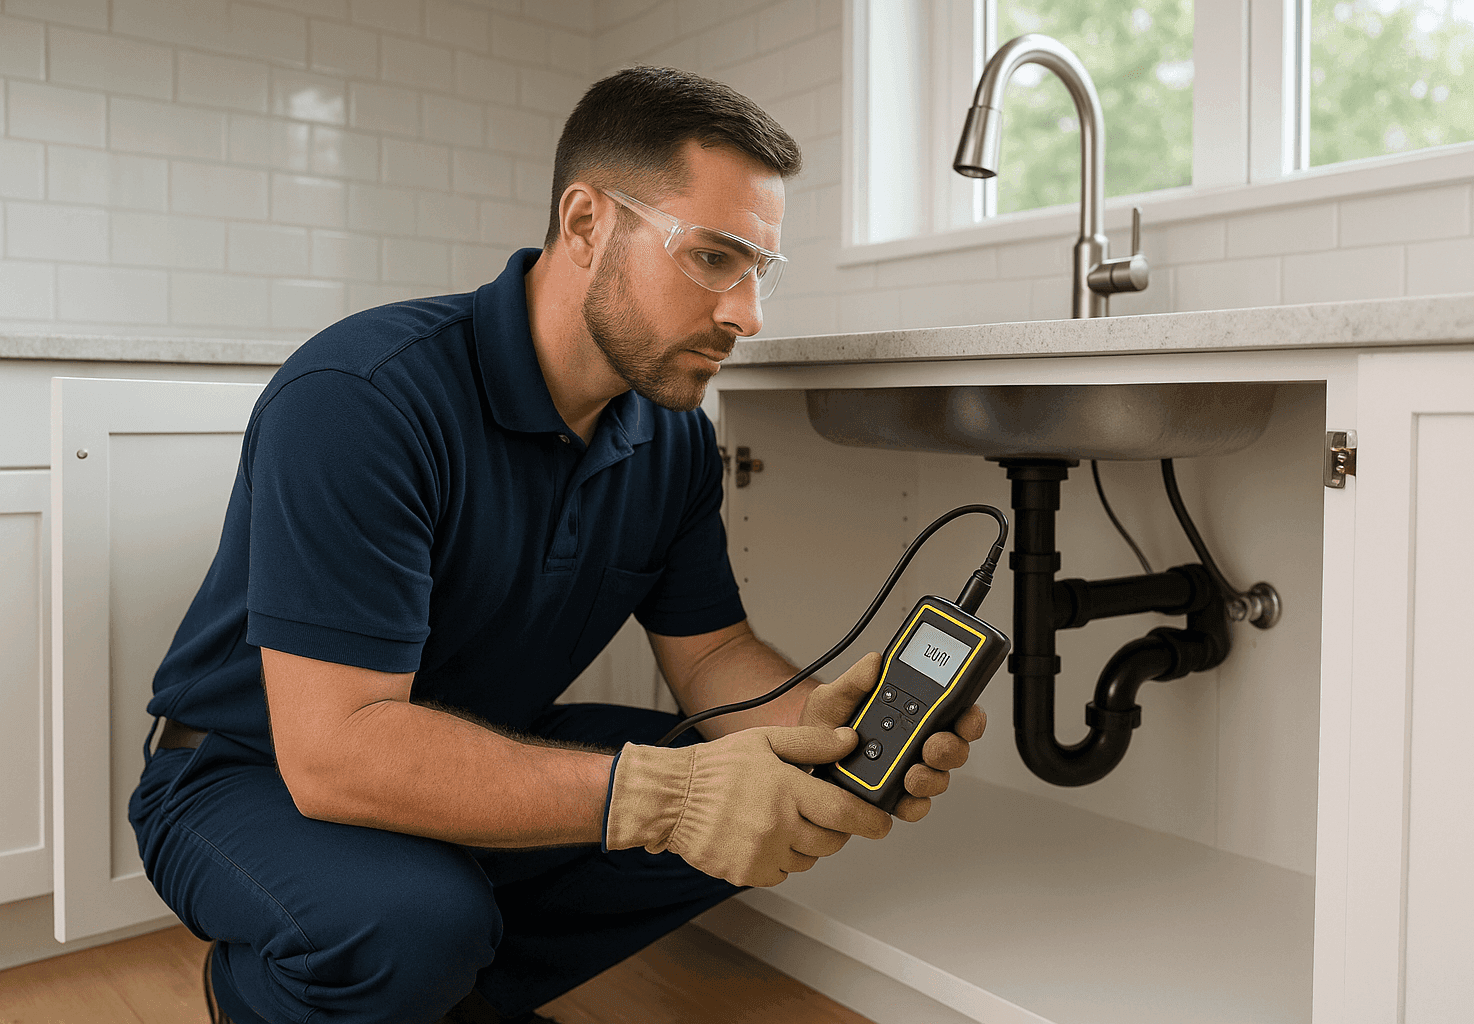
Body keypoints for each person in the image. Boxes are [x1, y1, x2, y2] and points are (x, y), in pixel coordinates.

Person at [129, 66, 986, 1024]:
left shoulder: (671, 439)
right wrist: (665, 797)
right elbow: (336, 753)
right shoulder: (363, 398)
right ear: (585, 224)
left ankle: (435, 995)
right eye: (714, 257)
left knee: (757, 795)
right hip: (249, 775)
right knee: (414, 921)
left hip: (473, 747)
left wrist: (819, 737)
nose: (748, 314)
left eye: (760, 272)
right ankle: (265, 996)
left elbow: (710, 652)